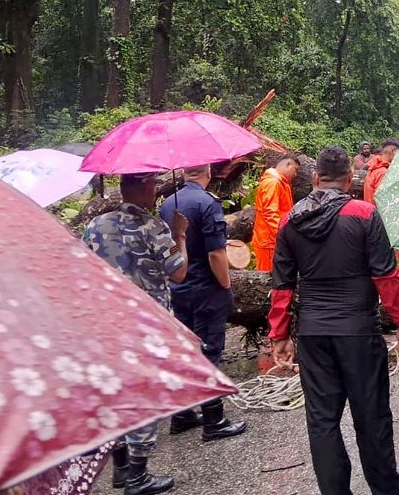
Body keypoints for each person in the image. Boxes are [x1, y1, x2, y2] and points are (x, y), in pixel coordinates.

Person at [268, 146, 399, 495]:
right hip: (358, 332)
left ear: (316, 179)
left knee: (322, 420)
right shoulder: (364, 215)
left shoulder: (291, 220)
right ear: (350, 180)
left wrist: (279, 334)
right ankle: (389, 490)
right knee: (372, 417)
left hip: (313, 334)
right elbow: (387, 276)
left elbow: (282, 284)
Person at [83, 173, 188, 495]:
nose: (156, 192)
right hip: (146, 324)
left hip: (105, 322)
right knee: (144, 395)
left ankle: (120, 467)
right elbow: (179, 272)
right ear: (144, 187)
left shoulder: (94, 227)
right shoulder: (154, 228)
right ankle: (138, 476)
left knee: (115, 392)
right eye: (154, 186)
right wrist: (180, 236)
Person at [159, 164, 248, 442]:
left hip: (179, 285)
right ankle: (214, 419)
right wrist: (226, 284)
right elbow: (216, 254)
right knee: (209, 350)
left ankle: (183, 414)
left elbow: (171, 248)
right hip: (207, 288)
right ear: (207, 172)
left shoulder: (166, 205)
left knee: (186, 352)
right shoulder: (207, 203)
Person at [252, 152, 299, 273]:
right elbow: (270, 213)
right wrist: (282, 235)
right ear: (288, 164)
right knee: (267, 279)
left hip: (274, 239)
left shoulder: (282, 183)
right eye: (295, 170)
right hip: (269, 241)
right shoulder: (273, 182)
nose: (295, 174)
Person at [363, 139, 399, 205]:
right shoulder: (383, 173)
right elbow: (383, 200)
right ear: (393, 151)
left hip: (370, 210)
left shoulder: (373, 167)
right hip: (378, 212)